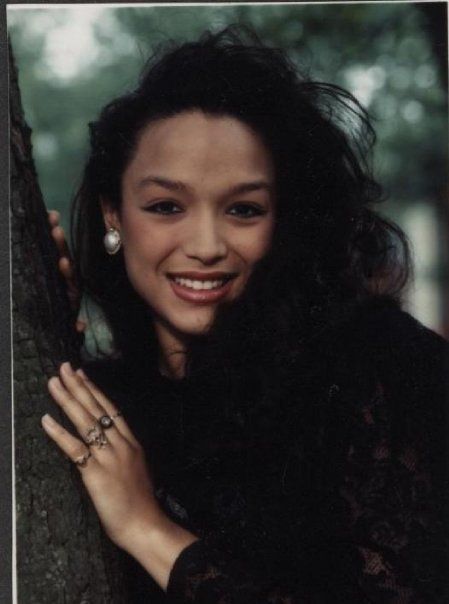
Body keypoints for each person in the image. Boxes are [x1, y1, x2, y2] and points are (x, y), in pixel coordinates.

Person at [42, 28, 448, 602]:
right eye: (166, 206)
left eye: (243, 209)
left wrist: (148, 531)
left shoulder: (383, 367)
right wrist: (43, 332)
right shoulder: (105, 401)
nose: (206, 245)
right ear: (114, 213)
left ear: (282, 219)